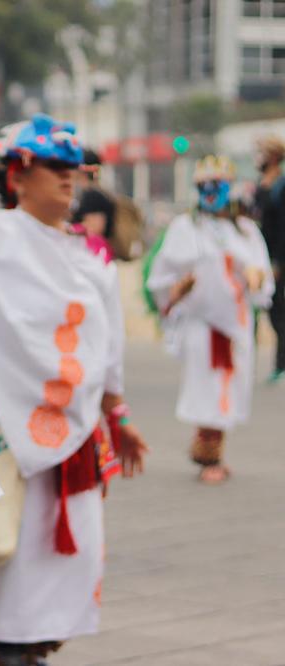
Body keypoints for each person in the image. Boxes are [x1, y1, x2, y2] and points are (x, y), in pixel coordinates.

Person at [0, 114, 149, 666]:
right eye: (55, 168)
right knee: (5, 577)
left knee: (61, 579)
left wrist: (122, 415)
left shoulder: (90, 255)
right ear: (17, 175)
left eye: (75, 170)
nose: (69, 179)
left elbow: (106, 350)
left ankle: (29, 651)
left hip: (75, 437)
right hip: (4, 437)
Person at [147, 155, 273, 484]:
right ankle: (208, 457)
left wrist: (257, 279)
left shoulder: (245, 230)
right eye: (203, 186)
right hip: (202, 324)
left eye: (217, 185)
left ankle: (213, 451)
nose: (210, 192)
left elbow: (260, 274)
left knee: (231, 387)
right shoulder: (184, 227)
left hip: (237, 322)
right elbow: (161, 281)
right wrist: (178, 289)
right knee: (207, 386)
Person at [252, 135, 285, 384]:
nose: (257, 158)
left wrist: (277, 262)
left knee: (278, 313)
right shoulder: (261, 185)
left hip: (275, 260)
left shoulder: (281, 186)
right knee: (260, 312)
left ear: (273, 157)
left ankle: (281, 364)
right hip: (258, 258)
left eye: (261, 153)